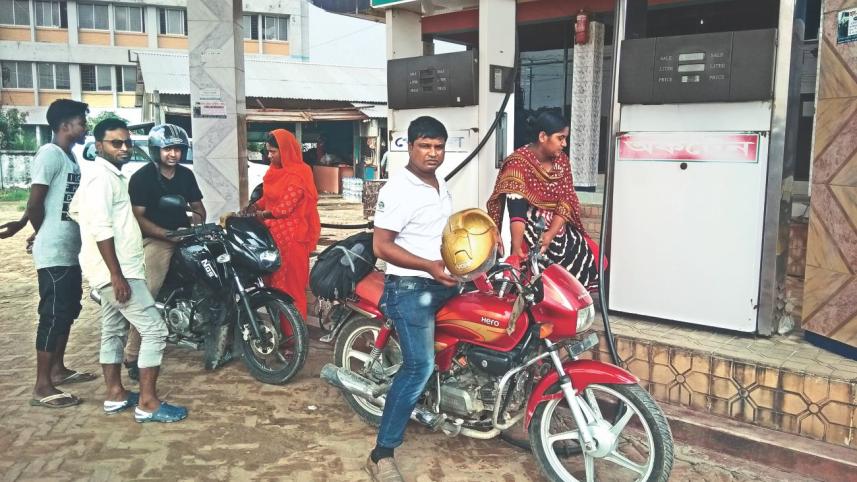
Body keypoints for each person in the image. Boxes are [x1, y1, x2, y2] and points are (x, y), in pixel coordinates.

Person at [69, 118, 187, 422]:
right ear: (99, 146)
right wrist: (116, 275)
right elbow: (100, 228)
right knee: (155, 329)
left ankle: (115, 394)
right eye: (115, 143)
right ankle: (148, 403)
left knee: (113, 330)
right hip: (117, 272)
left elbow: (78, 212)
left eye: (127, 142)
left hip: (117, 269)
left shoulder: (112, 176)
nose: (124, 148)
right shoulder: (101, 179)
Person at [366, 116, 457, 481]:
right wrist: (428, 266)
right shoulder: (397, 189)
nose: (433, 153)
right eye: (425, 146)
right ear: (409, 145)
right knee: (419, 366)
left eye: (438, 146)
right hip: (410, 287)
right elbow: (381, 246)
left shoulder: (439, 181)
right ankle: (381, 453)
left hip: (443, 280)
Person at [0, 99, 97, 408]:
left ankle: (58, 369)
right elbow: (35, 202)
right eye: (82, 123)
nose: (85, 128)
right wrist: (34, 230)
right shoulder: (49, 154)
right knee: (53, 315)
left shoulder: (70, 157)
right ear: (66, 125)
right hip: (53, 250)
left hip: (69, 249)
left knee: (68, 311)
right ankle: (42, 386)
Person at [122, 124, 205, 380]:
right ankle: (132, 352)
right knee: (149, 291)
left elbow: (198, 207)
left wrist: (198, 226)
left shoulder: (186, 176)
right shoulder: (142, 178)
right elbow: (139, 217)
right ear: (155, 150)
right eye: (167, 148)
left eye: (178, 149)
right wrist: (166, 234)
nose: (173, 154)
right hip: (156, 240)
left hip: (183, 235)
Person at [487, 111, 599, 291]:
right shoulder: (517, 164)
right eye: (560, 138)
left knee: (595, 258)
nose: (565, 144)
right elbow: (517, 214)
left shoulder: (562, 161)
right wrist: (516, 249)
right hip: (529, 232)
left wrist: (551, 234)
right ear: (542, 137)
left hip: (558, 229)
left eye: (565, 138)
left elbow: (566, 201)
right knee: (533, 283)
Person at [242, 129, 320, 320]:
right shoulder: (273, 171)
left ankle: (295, 338)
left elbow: (284, 208)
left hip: (293, 238)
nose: (269, 156)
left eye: (273, 152)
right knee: (273, 285)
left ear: (285, 151)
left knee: (291, 287)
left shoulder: (300, 173)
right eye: (268, 152)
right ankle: (281, 332)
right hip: (273, 236)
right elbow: (268, 199)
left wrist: (260, 214)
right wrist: (252, 207)